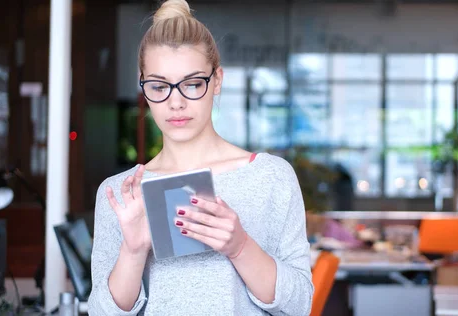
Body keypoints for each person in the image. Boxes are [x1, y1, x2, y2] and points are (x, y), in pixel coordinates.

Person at [86, 1, 313, 315]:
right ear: (143, 86)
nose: (175, 102)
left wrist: (240, 247)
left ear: (216, 80)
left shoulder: (271, 177)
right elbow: (100, 312)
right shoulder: (121, 192)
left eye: (193, 84)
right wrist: (134, 251)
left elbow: (301, 305)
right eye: (159, 86)